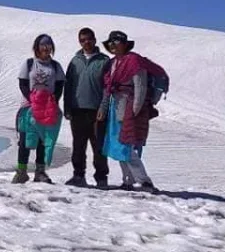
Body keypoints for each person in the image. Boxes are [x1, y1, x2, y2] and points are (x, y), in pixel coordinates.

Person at [97, 31, 156, 192]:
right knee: (118, 146)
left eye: (116, 42)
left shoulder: (134, 62)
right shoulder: (113, 63)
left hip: (128, 109)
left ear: (124, 43)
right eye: (111, 42)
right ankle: (128, 180)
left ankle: (144, 181)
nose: (113, 45)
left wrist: (135, 111)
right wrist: (103, 108)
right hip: (116, 109)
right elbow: (108, 88)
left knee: (127, 147)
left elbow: (140, 86)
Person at [13, 34, 65, 184]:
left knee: (43, 139)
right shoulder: (29, 64)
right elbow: (23, 83)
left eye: (49, 44)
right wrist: (33, 99)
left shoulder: (55, 66)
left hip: (48, 108)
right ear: (37, 47)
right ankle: (21, 171)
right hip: (28, 108)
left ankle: (40, 172)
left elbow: (60, 85)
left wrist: (52, 100)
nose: (46, 47)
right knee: (25, 140)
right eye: (43, 44)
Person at [63, 28, 110, 188]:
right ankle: (78, 176)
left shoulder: (104, 61)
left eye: (89, 39)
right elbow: (68, 86)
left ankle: (101, 178)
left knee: (99, 147)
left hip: (97, 112)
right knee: (78, 146)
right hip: (77, 111)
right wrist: (67, 107)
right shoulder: (75, 61)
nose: (86, 42)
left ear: (95, 40)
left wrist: (103, 107)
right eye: (82, 40)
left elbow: (107, 88)